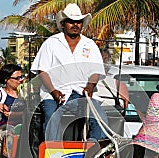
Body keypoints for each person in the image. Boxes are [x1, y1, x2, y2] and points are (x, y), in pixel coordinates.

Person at [31, 3, 107, 141]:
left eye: (78, 22)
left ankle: (95, 151)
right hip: (53, 94)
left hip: (81, 93)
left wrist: (90, 86)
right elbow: (42, 71)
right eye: (71, 21)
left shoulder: (90, 45)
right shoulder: (51, 43)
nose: (75, 25)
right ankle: (52, 155)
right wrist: (53, 91)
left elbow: (96, 71)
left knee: (100, 118)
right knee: (51, 118)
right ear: (63, 23)